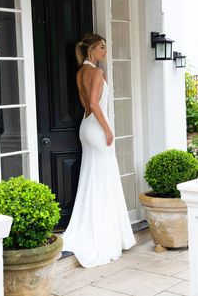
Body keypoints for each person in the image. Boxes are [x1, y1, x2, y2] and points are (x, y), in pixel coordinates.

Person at [62, 33, 136, 268]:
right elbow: (94, 104)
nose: (105, 51)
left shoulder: (79, 73)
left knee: (92, 177)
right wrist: (108, 129)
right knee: (104, 180)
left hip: (85, 128)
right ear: (92, 50)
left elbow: (85, 105)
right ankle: (104, 235)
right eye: (102, 47)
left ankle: (92, 226)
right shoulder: (95, 72)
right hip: (96, 128)